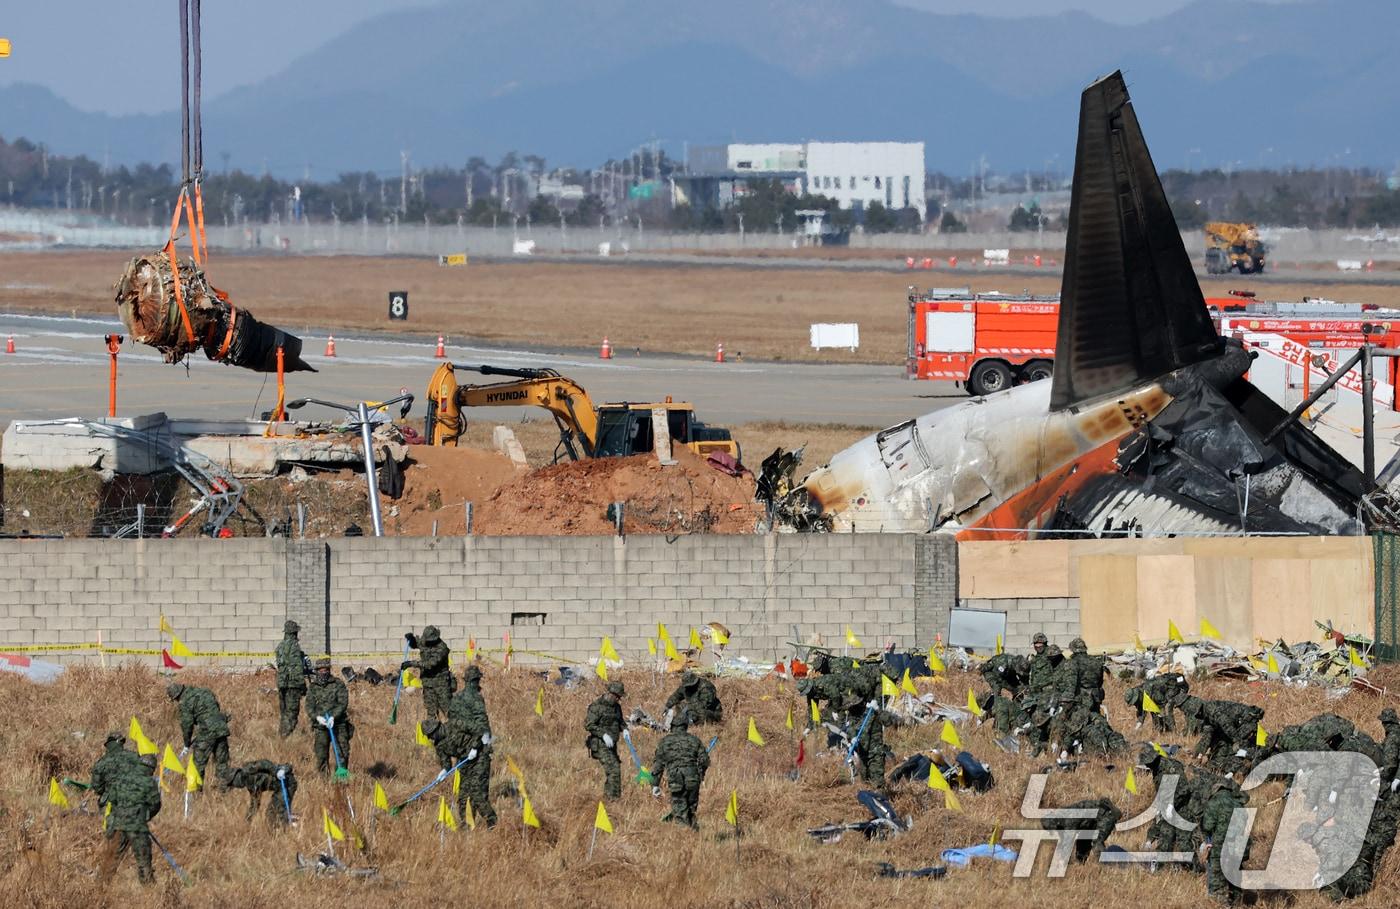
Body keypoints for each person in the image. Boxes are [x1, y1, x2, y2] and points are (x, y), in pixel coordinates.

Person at [446, 664, 497, 826]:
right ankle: (492, 822)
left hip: (462, 751)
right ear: (476, 680)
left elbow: (452, 725)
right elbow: (482, 725)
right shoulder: (475, 697)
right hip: (478, 752)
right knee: (479, 790)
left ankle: (466, 823)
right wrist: (482, 745)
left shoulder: (455, 699)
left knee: (464, 791)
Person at [103, 753, 161, 885]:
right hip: (137, 827)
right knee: (143, 860)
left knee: (113, 857)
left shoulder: (122, 779)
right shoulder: (148, 782)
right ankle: (149, 890)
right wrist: (145, 816)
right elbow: (156, 804)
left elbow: (112, 799)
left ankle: (101, 885)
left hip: (118, 824)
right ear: (151, 768)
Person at [651, 709, 709, 829]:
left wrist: (655, 784)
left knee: (679, 812)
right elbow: (704, 761)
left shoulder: (665, 742)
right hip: (693, 779)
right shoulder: (694, 740)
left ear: (672, 726)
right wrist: (701, 775)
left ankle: (684, 837)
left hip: (676, 778)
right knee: (691, 810)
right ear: (685, 726)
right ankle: (694, 836)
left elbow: (658, 765)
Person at [167, 682, 231, 782]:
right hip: (221, 727)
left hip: (207, 732)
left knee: (198, 765)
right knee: (222, 762)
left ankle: (196, 792)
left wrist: (187, 744)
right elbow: (216, 707)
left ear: (177, 696)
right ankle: (224, 791)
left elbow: (187, 725)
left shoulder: (185, 702)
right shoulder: (205, 691)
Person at [304, 658, 353, 775]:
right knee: (321, 754)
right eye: (320, 670)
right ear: (317, 671)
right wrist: (317, 717)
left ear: (329, 670)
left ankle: (341, 777)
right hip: (320, 727)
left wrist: (333, 717)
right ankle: (324, 781)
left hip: (338, 725)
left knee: (342, 753)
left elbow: (343, 703)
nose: (323, 672)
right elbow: (309, 706)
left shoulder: (338, 684)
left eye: (325, 669)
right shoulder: (313, 687)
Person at [842, 695, 898, 793]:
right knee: (865, 783)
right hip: (863, 754)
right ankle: (868, 804)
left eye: (854, 706)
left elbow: (889, 721)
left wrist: (878, 709)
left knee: (878, 784)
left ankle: (881, 803)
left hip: (875, 754)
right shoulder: (853, 714)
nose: (852, 709)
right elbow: (850, 728)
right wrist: (853, 737)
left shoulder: (872, 712)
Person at [1039, 796, 1121, 862]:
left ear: (1055, 823)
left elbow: (1068, 841)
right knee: (1082, 843)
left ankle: (1107, 867)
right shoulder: (1061, 818)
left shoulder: (1069, 819)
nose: (1053, 832)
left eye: (1051, 829)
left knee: (1097, 843)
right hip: (1091, 822)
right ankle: (1080, 863)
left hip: (1106, 816)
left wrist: (1062, 861)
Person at [90, 731, 144, 826]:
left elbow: (97, 787)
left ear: (108, 745)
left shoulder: (101, 763)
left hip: (110, 804)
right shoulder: (134, 757)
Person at [223, 760, 297, 828]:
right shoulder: (250, 786)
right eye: (233, 785)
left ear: (236, 775)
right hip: (280, 788)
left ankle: (286, 832)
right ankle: (284, 829)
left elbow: (264, 763)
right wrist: (248, 819)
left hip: (286, 783)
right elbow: (255, 803)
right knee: (271, 813)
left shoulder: (248, 769)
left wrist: (276, 771)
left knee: (275, 812)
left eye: (233, 783)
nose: (235, 785)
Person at [403, 625, 454, 721]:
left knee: (448, 712)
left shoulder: (442, 648)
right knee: (431, 713)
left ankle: (456, 733)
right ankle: (434, 732)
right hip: (428, 684)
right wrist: (411, 639)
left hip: (441, 685)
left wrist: (411, 663)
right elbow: (416, 644)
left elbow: (430, 664)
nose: (427, 642)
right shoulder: (425, 641)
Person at [585, 681, 626, 799]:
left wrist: (625, 729)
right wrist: (603, 734)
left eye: (619, 697)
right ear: (610, 694)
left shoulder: (617, 707)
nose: (618, 699)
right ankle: (614, 800)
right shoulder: (596, 706)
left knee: (614, 770)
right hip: (600, 744)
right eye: (617, 697)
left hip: (612, 745)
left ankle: (608, 798)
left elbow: (620, 721)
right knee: (614, 771)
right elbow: (588, 725)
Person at [1125, 672, 1190, 733]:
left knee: (1166, 708)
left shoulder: (1151, 692)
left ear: (1138, 696)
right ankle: (1159, 730)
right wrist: (1138, 725)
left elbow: (1162, 704)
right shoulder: (1140, 694)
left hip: (1176, 688)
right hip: (1163, 695)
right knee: (1155, 711)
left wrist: (1161, 716)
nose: (1135, 704)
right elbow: (1141, 710)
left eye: (1134, 701)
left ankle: (1171, 732)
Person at [275, 620, 309, 737]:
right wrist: (303, 686)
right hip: (292, 685)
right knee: (292, 714)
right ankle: (285, 738)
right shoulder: (294, 646)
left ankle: (281, 737)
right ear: (294, 632)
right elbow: (296, 668)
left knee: (284, 713)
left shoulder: (280, 646)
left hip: (281, 683)